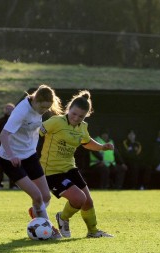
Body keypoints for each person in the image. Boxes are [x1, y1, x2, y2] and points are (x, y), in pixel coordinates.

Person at [38, 90, 114, 238]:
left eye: (81, 116)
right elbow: (36, 133)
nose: (76, 118)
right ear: (69, 109)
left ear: (86, 115)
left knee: (88, 202)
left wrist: (102, 147)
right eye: (74, 114)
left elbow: (86, 142)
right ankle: (63, 218)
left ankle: (93, 232)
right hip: (51, 171)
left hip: (70, 168)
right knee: (79, 199)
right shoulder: (55, 122)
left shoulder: (82, 127)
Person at [0, 85, 63, 239]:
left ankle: (36, 213)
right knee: (37, 196)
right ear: (35, 100)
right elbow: (3, 135)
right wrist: (12, 155)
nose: (43, 111)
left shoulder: (39, 107)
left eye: (47, 108)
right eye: (42, 107)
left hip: (29, 156)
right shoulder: (21, 111)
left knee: (46, 197)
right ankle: (48, 229)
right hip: (10, 159)